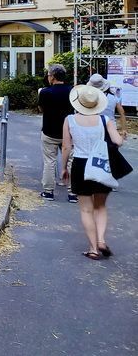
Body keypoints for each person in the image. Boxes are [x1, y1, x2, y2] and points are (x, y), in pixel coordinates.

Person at [61, 84, 124, 260]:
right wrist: (121, 137)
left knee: (86, 210)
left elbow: (66, 146)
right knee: (101, 206)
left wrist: (64, 167)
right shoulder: (105, 120)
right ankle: (102, 240)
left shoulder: (70, 120)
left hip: (80, 165)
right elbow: (117, 141)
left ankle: (93, 248)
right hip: (101, 164)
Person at [37, 65, 75, 202]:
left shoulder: (45, 92)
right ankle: (72, 193)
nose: (47, 77)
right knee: (71, 162)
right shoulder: (72, 91)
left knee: (49, 162)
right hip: (68, 133)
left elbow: (41, 109)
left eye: (48, 75)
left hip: (49, 131)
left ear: (52, 76)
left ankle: (48, 191)